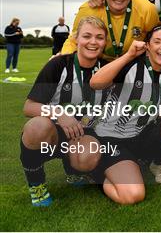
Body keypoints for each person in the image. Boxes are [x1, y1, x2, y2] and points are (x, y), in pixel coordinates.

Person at [89, 25, 161, 204]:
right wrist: (129, 55)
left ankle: (152, 161)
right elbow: (95, 83)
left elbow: (147, 106)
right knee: (133, 195)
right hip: (111, 139)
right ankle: (98, 172)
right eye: (157, 42)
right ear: (147, 46)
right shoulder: (131, 65)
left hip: (140, 136)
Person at [19, 16, 108, 206]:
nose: (93, 42)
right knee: (36, 127)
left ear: (105, 42)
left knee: (89, 156)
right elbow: (29, 106)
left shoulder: (107, 68)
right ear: (76, 38)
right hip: (54, 131)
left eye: (99, 37)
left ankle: (74, 172)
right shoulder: (58, 65)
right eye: (87, 36)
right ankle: (36, 184)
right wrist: (59, 113)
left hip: (83, 133)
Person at [62, 0, 160, 61]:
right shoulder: (89, 9)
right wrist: (63, 62)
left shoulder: (147, 8)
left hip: (133, 63)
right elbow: (73, 41)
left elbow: (155, 39)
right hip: (98, 63)